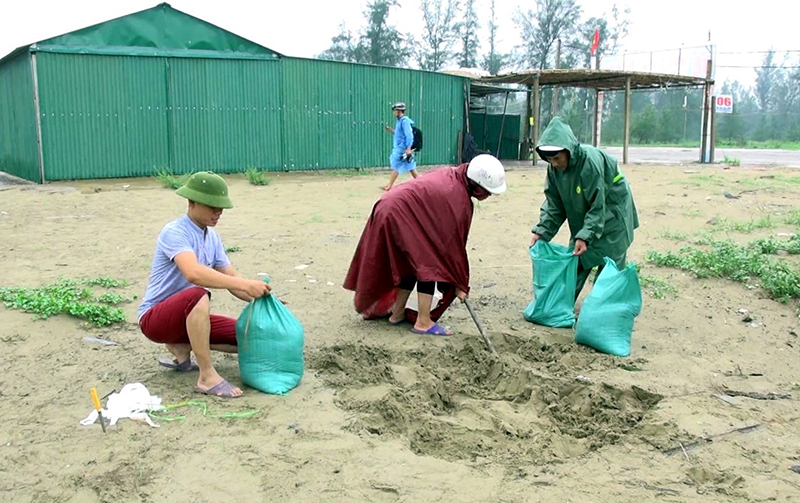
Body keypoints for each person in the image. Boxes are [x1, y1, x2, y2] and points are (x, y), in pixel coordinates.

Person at [137, 171, 271, 398]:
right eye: (212, 206)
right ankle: (207, 377)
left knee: (249, 337)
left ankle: (182, 345)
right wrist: (246, 284)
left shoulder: (213, 237)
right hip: (155, 319)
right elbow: (193, 273)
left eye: (221, 208)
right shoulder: (175, 231)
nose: (218, 212)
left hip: (188, 317)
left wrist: (263, 298)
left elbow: (233, 281)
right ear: (192, 202)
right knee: (198, 294)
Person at [345, 154, 507, 336]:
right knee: (429, 262)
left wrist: (459, 280)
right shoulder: (457, 199)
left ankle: (397, 314)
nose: (489, 196)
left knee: (414, 260)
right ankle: (423, 322)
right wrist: (460, 282)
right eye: (488, 191)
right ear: (477, 186)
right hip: (397, 213)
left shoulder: (453, 176)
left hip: (388, 207)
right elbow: (451, 247)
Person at [530, 117, 639, 303]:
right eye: (549, 159)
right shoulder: (554, 170)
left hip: (613, 211)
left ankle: (600, 309)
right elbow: (554, 205)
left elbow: (598, 206)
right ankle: (561, 305)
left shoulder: (589, 163)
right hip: (587, 212)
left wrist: (584, 236)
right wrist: (542, 231)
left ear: (568, 151)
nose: (554, 163)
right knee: (577, 258)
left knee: (609, 263)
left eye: (557, 158)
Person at [382, 102, 419, 191]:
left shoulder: (405, 121)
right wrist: (392, 131)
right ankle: (421, 182)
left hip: (403, 148)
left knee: (397, 165)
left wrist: (408, 148)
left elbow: (409, 135)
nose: (393, 112)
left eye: (395, 110)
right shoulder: (400, 121)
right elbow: (400, 134)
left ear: (399, 111)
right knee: (411, 167)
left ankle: (389, 185)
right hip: (401, 147)